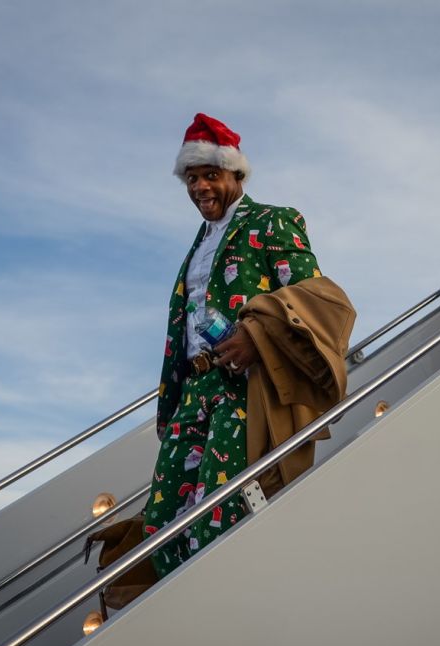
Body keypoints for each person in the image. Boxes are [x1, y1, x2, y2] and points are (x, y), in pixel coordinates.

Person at [145, 113, 351, 580]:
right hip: (192, 393)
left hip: (243, 391)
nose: (200, 187)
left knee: (220, 516)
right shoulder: (198, 246)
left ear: (235, 174)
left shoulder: (272, 221)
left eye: (210, 175)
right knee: (161, 526)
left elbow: (317, 299)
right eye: (192, 179)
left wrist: (256, 337)